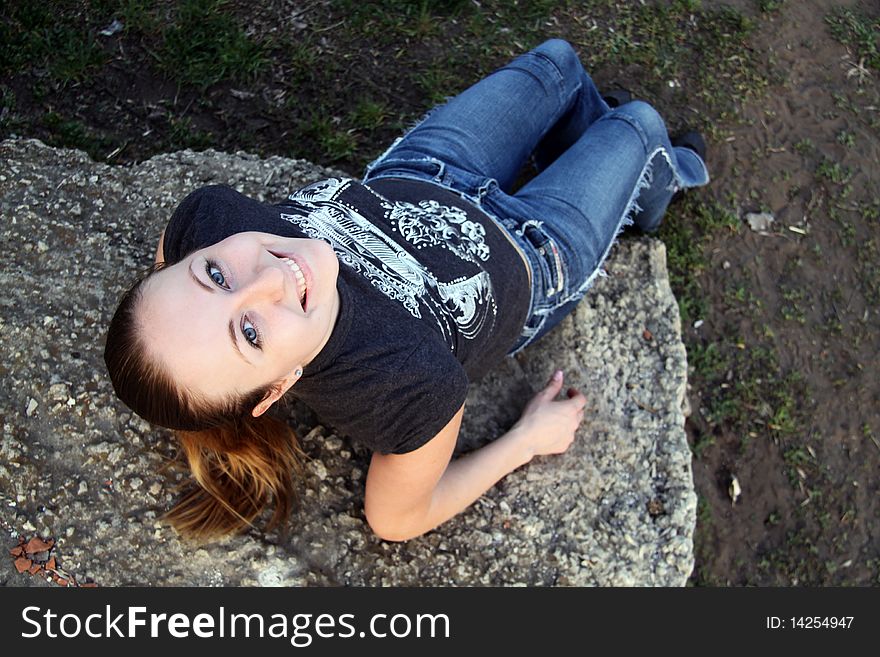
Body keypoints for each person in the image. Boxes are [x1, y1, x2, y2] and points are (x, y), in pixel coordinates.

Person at [103, 39, 709, 542]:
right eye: (251, 333)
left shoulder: (204, 222)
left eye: (213, 276)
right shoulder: (400, 387)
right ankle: (655, 188)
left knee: (557, 63)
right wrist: (526, 441)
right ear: (280, 387)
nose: (269, 279)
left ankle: (579, 138)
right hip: (533, 254)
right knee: (639, 123)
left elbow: (175, 275)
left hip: (424, 172)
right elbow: (395, 520)